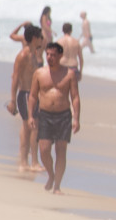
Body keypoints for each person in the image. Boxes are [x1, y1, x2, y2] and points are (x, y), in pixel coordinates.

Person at [30, 40, 80, 194]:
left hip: (63, 116)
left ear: (60, 56)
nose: (49, 57)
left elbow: (75, 97)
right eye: (48, 54)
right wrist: (31, 115)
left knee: (61, 150)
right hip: (44, 115)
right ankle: (51, 175)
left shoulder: (69, 74)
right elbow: (32, 96)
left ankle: (57, 185)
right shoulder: (39, 73)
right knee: (44, 149)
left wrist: (76, 118)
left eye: (53, 55)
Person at [7, 24, 43, 175]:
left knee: (31, 128)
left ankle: (28, 161)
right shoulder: (23, 56)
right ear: (34, 38)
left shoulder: (34, 54)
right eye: (40, 36)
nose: (42, 39)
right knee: (31, 128)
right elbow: (15, 77)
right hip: (26, 94)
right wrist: (12, 100)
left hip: (33, 95)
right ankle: (29, 162)